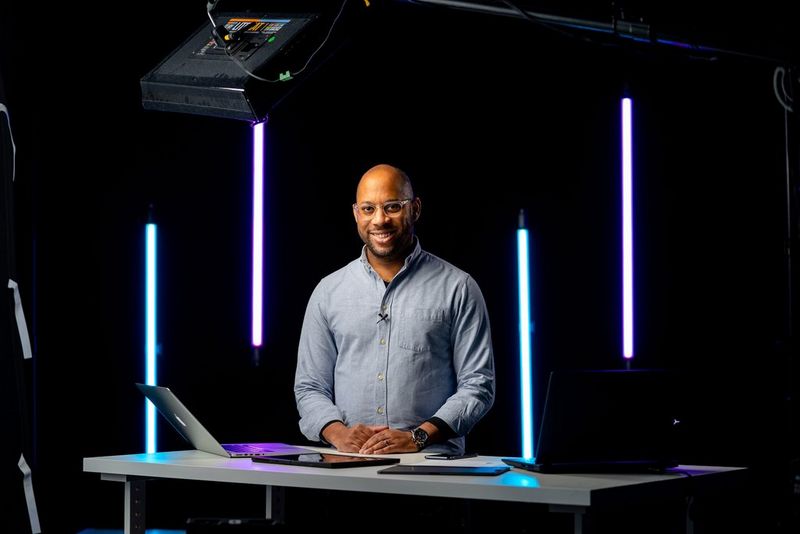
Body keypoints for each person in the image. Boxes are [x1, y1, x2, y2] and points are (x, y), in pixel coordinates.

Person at [294, 163, 495, 454]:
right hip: (348, 466)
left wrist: (418, 437)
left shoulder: (458, 287)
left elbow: (478, 385)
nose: (379, 220)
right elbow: (310, 386)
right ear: (355, 214)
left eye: (392, 207)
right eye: (368, 209)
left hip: (433, 470)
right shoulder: (328, 291)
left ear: (415, 208)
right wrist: (339, 434)